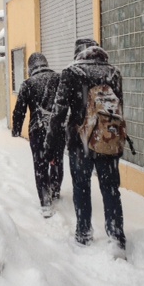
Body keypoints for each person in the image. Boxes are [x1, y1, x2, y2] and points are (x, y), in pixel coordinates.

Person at [46, 38, 126, 254]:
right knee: (111, 189)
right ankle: (116, 236)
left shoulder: (72, 72)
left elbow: (59, 112)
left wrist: (51, 144)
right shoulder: (113, 72)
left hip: (80, 141)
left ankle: (83, 233)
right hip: (108, 141)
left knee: (81, 187)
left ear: (77, 53)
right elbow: (119, 109)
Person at [12, 53, 63, 218]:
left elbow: (19, 109)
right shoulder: (58, 78)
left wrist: (16, 129)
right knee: (57, 160)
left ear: (30, 67)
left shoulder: (28, 84)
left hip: (38, 130)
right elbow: (67, 102)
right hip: (58, 130)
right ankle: (55, 189)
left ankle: (46, 202)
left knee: (40, 166)